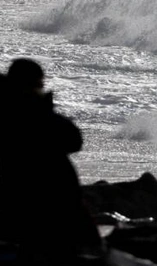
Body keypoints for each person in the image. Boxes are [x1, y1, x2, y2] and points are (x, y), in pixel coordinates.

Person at [0, 58, 104, 264]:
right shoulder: (28, 114)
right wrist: (41, 107)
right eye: (39, 84)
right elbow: (72, 139)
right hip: (38, 212)